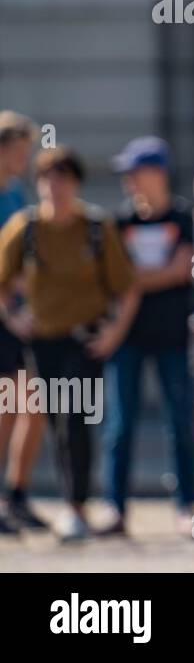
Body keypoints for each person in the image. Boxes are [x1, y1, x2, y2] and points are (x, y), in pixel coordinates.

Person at [0, 147, 138, 541]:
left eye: (62, 178)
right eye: (46, 179)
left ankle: (76, 506)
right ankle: (54, 500)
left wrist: (114, 333)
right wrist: (12, 315)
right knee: (55, 421)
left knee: (75, 419)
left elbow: (127, 288)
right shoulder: (24, 227)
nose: (54, 187)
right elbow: (2, 278)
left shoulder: (95, 226)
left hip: (84, 340)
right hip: (42, 341)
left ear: (75, 183)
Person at [100, 136, 194, 536]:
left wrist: (137, 280)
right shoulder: (119, 221)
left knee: (181, 421)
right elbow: (115, 278)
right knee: (119, 423)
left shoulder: (184, 217)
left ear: (157, 173)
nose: (128, 181)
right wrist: (148, 278)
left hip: (174, 335)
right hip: (128, 337)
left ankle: (186, 506)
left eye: (134, 172)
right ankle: (115, 508)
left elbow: (182, 269)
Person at [0, 111, 45, 532]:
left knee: (32, 403)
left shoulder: (14, 193)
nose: (26, 157)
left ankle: (16, 493)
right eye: (20, 149)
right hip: (6, 315)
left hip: (19, 314)